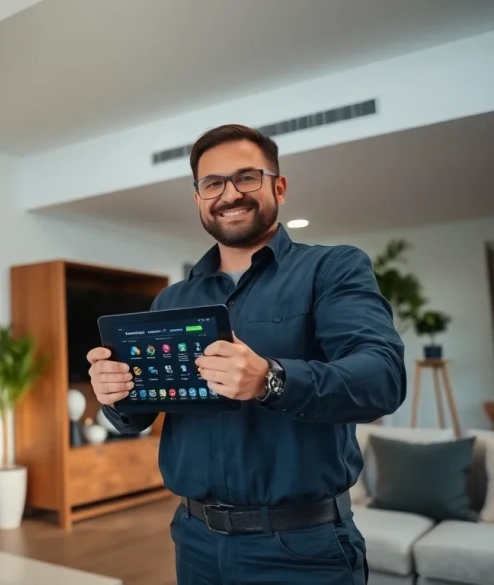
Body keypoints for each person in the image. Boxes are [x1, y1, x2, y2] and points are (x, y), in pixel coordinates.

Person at [88, 124, 406, 585]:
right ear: (198, 197)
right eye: (212, 183)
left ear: (279, 186)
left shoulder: (332, 269)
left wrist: (271, 379)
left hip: (302, 549)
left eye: (246, 177)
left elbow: (383, 377)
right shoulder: (171, 300)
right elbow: (139, 414)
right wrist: (115, 395)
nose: (229, 193)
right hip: (194, 541)